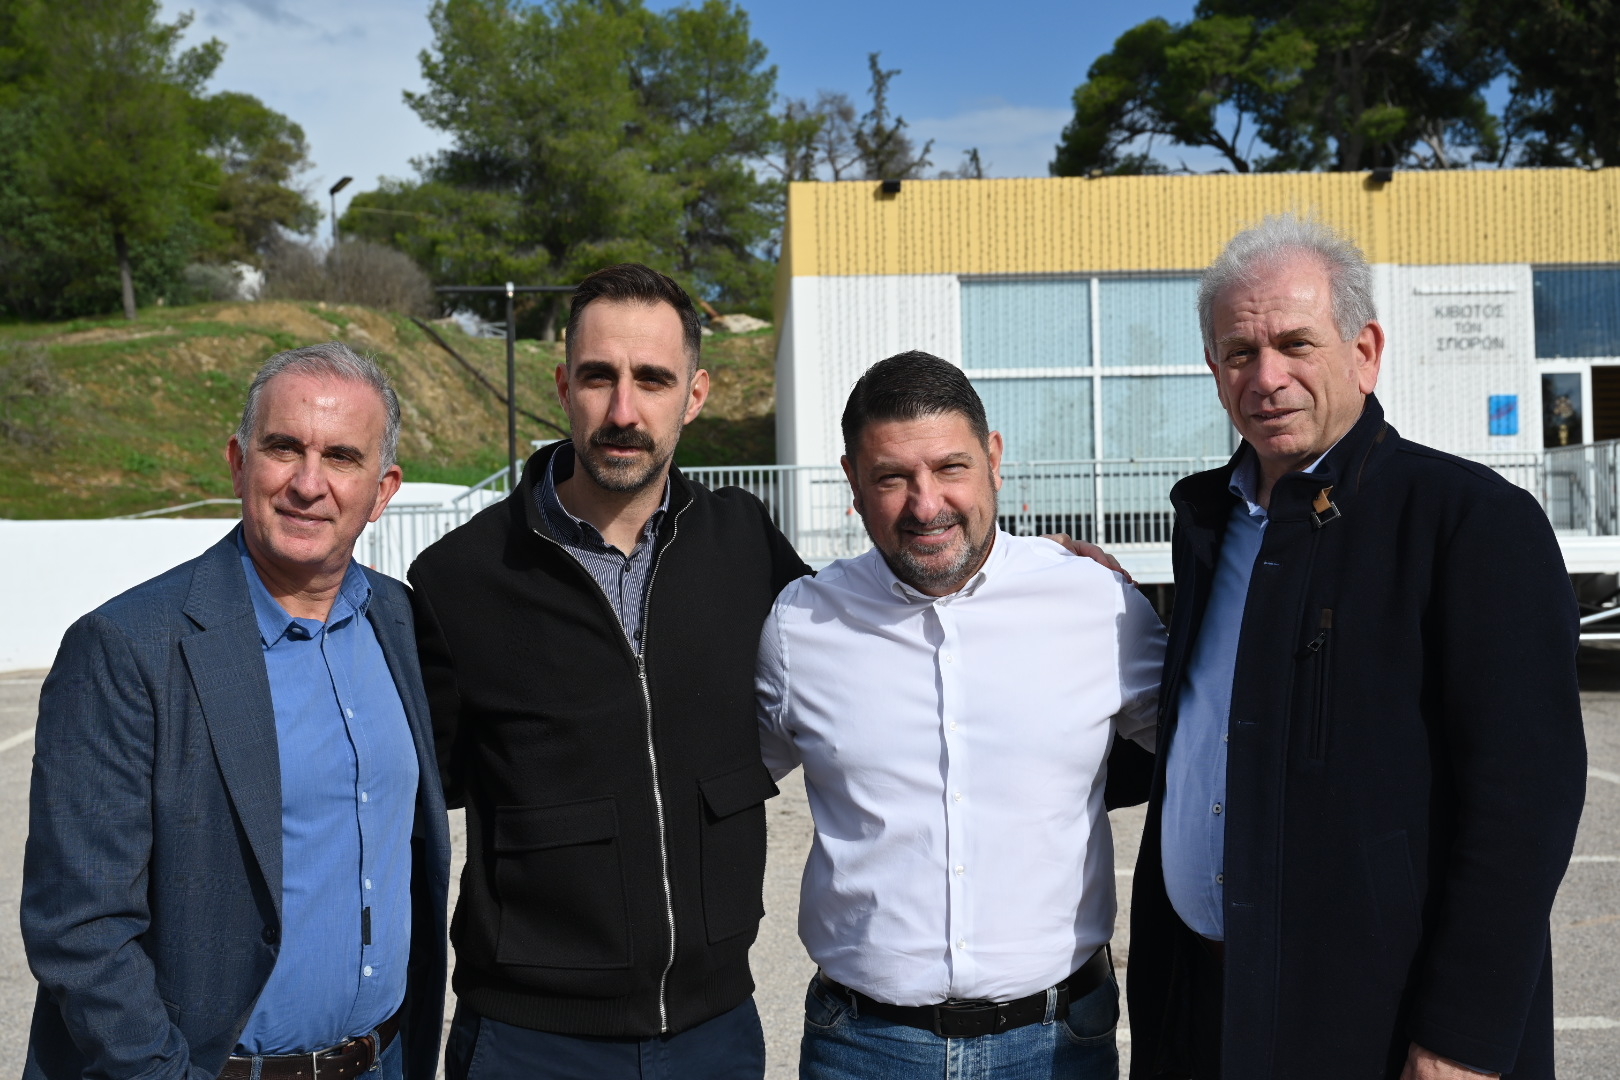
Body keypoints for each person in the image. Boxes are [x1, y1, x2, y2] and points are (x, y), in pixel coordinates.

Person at [1126, 214, 1587, 1080]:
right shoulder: (1213, 527)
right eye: (1238, 352)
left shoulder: (1471, 523)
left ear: (1365, 352)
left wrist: (1462, 1041)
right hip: (1206, 1009)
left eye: (1295, 344)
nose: (1267, 377)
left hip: (1379, 1030)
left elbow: (1525, 806)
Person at [408, 263, 810, 1080]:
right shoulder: (457, 578)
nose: (623, 412)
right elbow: (406, 792)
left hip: (715, 1035)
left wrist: (1027, 571)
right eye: (599, 377)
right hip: (528, 1043)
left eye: (653, 379)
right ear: (564, 387)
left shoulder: (745, 543)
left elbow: (864, 633)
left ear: (694, 395)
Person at [22, 344, 452, 1080]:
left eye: (341, 457)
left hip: (384, 1060)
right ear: (238, 463)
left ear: (382, 491)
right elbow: (79, 926)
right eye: (284, 448)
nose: (308, 484)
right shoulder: (127, 646)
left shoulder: (400, 620)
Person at [756, 350, 1166, 1080]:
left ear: (994, 459)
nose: (926, 505)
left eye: (951, 468)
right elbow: (717, 785)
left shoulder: (1096, 603)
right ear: (852, 480)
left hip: (1059, 1047)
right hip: (863, 1050)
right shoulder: (800, 625)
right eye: (892, 478)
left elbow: (1213, 753)